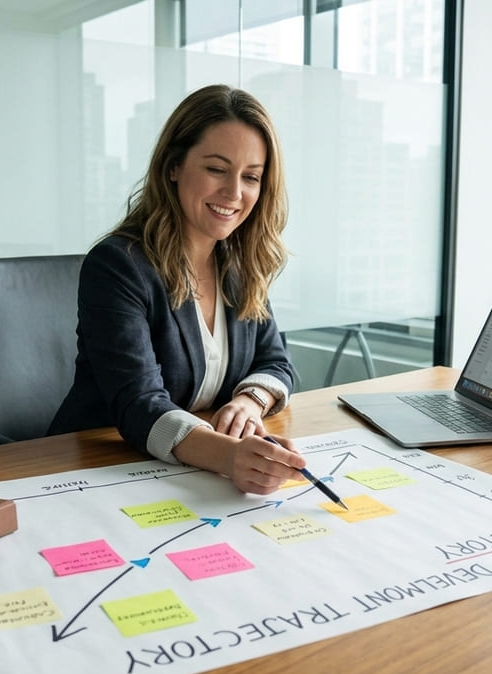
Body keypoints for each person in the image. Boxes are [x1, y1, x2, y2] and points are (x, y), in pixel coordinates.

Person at [49, 84, 307, 496]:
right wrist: (229, 457)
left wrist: (249, 402)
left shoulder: (238, 265)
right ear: (173, 166)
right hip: (100, 472)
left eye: (251, 177)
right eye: (216, 169)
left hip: (186, 477)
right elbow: (140, 404)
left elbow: (277, 362)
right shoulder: (118, 265)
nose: (234, 193)